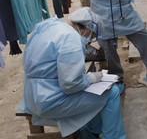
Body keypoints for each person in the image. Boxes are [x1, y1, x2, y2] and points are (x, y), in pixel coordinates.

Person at [17, 7, 126, 138]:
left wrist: (87, 79)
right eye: (91, 36)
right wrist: (92, 78)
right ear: (87, 28)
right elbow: (71, 84)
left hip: (32, 94)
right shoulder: (71, 37)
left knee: (95, 94)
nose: (89, 40)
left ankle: (89, 132)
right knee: (112, 93)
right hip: (49, 101)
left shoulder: (49, 24)